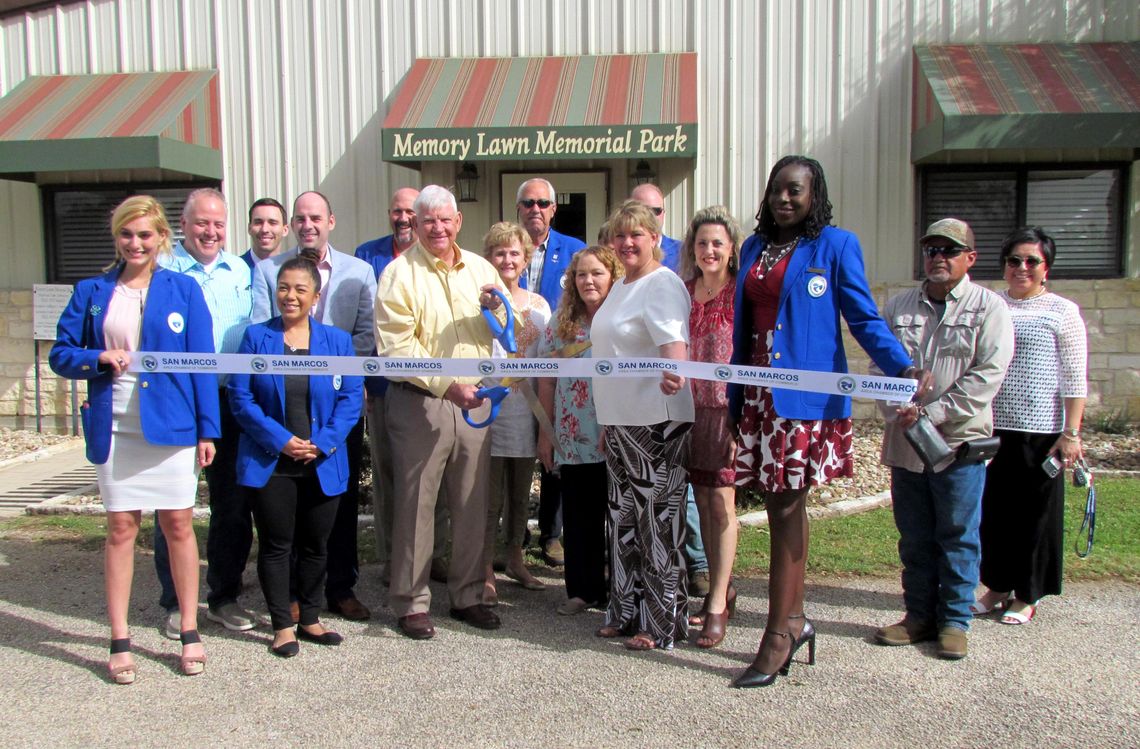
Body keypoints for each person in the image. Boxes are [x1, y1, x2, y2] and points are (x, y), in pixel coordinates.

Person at [728, 156, 921, 687]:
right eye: (776, 191)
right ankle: (794, 620)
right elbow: (744, 323)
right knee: (777, 502)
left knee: (787, 503)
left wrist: (901, 367)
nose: (784, 199)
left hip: (802, 397)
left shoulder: (835, 245)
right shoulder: (753, 247)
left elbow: (861, 317)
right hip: (758, 390)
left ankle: (779, 634)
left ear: (815, 195)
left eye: (795, 190)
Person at [49, 195, 219, 683]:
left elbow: (202, 363)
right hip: (115, 423)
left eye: (145, 234)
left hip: (173, 425)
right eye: (127, 234)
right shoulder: (91, 291)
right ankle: (119, 637)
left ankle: (189, 630)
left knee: (179, 527)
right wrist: (95, 359)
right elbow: (61, 353)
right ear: (117, 238)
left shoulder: (184, 290)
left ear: (162, 237)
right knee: (121, 528)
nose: (136, 243)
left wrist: (209, 428)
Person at [873, 218, 1013, 661]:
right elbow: (879, 367)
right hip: (905, 444)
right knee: (914, 537)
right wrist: (895, 404)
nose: (938, 257)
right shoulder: (898, 306)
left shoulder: (989, 308)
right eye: (932, 249)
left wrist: (930, 414)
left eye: (949, 250)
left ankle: (954, 621)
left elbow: (986, 376)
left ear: (970, 258)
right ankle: (918, 617)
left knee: (957, 535)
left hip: (957, 445)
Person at [375, 185, 509, 639]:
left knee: (472, 501)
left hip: (474, 398)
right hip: (421, 400)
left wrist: (499, 311)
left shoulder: (481, 268)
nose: (437, 227)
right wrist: (447, 385)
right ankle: (410, 601)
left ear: (458, 222)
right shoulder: (399, 274)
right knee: (417, 503)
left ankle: (468, 595)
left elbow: (504, 329)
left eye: (445, 219)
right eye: (427, 220)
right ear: (414, 223)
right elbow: (396, 347)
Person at [228, 256, 363, 657]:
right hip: (272, 462)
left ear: (315, 297)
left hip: (322, 461)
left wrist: (323, 442)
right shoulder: (255, 338)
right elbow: (240, 397)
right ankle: (282, 625)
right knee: (276, 544)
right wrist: (281, 440)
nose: (290, 296)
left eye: (300, 289)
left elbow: (351, 398)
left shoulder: (338, 342)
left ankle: (310, 618)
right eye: (284, 287)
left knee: (316, 545)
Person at [252, 191, 377, 621]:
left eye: (316, 217)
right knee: (283, 525)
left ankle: (338, 589)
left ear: (331, 221)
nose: (308, 224)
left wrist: (343, 379)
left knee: (334, 510)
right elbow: (258, 334)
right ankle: (287, 604)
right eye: (300, 218)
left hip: (336, 407)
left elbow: (365, 335)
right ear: (292, 224)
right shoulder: (270, 271)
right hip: (281, 404)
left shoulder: (359, 272)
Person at [591, 201, 694, 652]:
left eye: (637, 234)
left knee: (659, 525)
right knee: (623, 521)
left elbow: (674, 345)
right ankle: (625, 610)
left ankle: (661, 621)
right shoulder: (619, 287)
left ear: (655, 238)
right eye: (620, 235)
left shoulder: (661, 283)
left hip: (656, 421)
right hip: (619, 421)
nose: (628, 242)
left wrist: (676, 372)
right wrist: (606, 422)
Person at [153, 188, 255, 638]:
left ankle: (223, 595)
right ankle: (176, 601)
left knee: (232, 506)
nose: (210, 232)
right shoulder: (162, 272)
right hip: (178, 400)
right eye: (201, 223)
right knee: (174, 506)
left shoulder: (240, 271)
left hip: (230, 399)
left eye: (218, 224)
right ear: (183, 224)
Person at [973, 227, 1087, 625]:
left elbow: (1075, 376)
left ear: (1046, 269)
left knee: (1034, 514)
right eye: (1013, 260)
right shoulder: (989, 305)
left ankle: (1027, 593)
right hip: (990, 426)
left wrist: (1070, 433)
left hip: (1041, 430)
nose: (1021, 267)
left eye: (1031, 261)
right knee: (994, 511)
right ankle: (997, 586)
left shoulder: (1062, 311)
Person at [355, 187, 450, 587]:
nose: (406, 219)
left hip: (443, 388)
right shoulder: (370, 257)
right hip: (385, 387)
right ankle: (395, 559)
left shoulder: (448, 261)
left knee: (436, 484)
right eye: (399, 211)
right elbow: (365, 327)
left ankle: (437, 558)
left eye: (413, 212)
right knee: (391, 479)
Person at [630, 183, 710, 597]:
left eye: (655, 211)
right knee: (645, 495)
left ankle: (695, 565)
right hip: (633, 394)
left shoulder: (681, 257)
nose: (648, 217)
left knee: (678, 491)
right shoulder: (624, 255)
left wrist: (675, 365)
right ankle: (648, 574)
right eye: (640, 209)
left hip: (672, 388)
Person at [537, 246, 623, 616]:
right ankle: (582, 590)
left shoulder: (622, 320)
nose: (589, 280)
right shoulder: (560, 324)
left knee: (620, 517)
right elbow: (547, 379)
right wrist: (546, 431)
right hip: (573, 433)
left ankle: (620, 590)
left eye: (597, 273)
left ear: (613, 276)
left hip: (618, 428)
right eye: (581, 274)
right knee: (578, 514)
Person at [679, 205, 743, 648]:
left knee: (721, 503)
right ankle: (724, 588)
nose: (709, 250)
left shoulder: (742, 295)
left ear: (732, 249)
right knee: (700, 503)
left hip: (725, 413)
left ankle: (717, 601)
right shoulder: (682, 292)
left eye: (717, 243)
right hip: (686, 410)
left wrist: (745, 419)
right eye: (702, 243)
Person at [516, 177, 587, 568]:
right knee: (515, 453)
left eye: (543, 203)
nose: (535, 209)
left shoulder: (573, 251)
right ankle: (514, 531)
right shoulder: (506, 249)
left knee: (552, 453)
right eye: (528, 203)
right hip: (512, 374)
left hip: (558, 367)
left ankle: (552, 534)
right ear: (518, 208)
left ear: (554, 209)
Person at [481, 222, 551, 601]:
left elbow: (547, 364)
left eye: (514, 253)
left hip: (527, 410)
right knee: (490, 495)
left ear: (526, 259)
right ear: (490, 258)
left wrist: (545, 423)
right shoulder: (479, 301)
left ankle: (515, 558)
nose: (507, 260)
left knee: (521, 492)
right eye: (499, 252)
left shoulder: (540, 306)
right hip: (490, 409)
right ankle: (485, 567)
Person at [241, 198, 290, 268]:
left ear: (285, 230)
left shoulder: (295, 271)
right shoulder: (235, 270)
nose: (264, 229)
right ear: (249, 228)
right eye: (258, 222)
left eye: (272, 223)